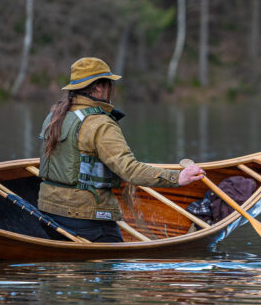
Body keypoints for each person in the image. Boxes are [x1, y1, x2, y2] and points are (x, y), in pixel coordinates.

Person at [38, 57, 205, 242]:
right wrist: (177, 178)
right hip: (86, 218)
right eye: (110, 83)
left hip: (48, 213)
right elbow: (130, 170)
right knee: (116, 256)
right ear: (99, 88)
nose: (112, 88)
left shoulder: (54, 117)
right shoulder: (100, 123)